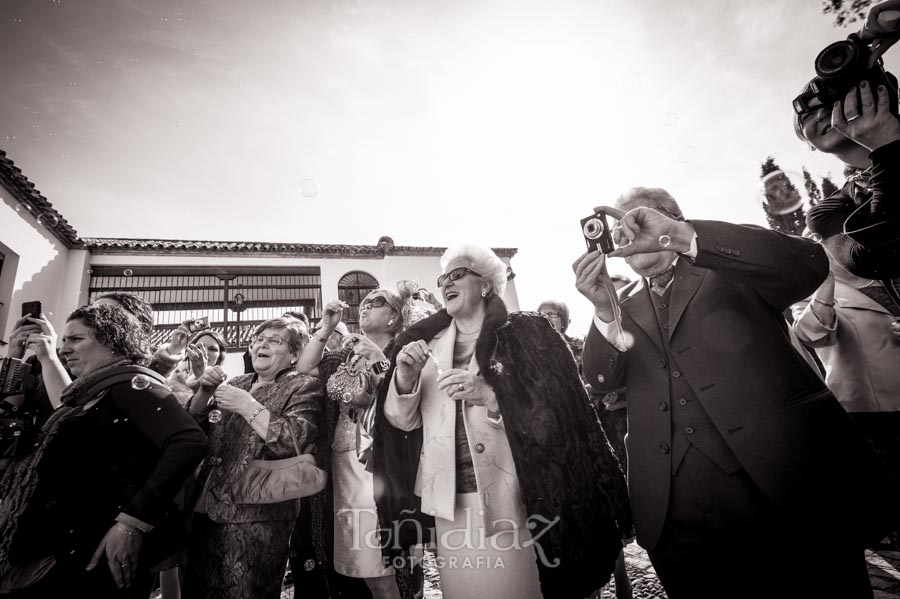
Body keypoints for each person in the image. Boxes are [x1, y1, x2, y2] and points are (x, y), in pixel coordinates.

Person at [576, 187, 879, 598]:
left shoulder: (731, 265)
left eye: (636, 221)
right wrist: (603, 312)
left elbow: (807, 263)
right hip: (676, 514)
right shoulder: (622, 303)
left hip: (784, 489)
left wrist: (681, 236)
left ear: (667, 218)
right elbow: (600, 379)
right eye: (619, 230)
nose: (626, 235)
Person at [381, 244, 632, 599]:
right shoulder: (425, 344)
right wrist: (404, 378)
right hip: (449, 504)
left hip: (519, 497)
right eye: (443, 278)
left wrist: (493, 396)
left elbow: (560, 410)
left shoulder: (528, 332)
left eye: (457, 274)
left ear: (485, 286)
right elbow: (400, 425)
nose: (446, 282)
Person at [0, 303, 208, 598]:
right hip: (60, 550)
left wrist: (131, 523)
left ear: (113, 341)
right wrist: (14, 360)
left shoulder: (133, 386)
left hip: (92, 558)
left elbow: (190, 442)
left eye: (76, 339)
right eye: (64, 341)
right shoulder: (88, 394)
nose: (65, 349)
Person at [183, 316, 322, 599]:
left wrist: (248, 406)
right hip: (204, 504)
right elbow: (194, 429)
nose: (262, 344)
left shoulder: (303, 386)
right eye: (258, 339)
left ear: (295, 353)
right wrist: (204, 391)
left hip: (257, 515)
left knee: (245, 591)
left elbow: (292, 442)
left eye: (275, 340)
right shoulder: (238, 381)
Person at [792, 240, 900, 548]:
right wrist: (823, 284)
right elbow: (811, 335)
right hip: (868, 411)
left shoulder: (890, 277)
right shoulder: (813, 294)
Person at [794, 0, 900, 291]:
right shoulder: (828, 211)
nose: (820, 113)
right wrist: (886, 150)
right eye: (804, 114)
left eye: (829, 101)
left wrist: (864, 39)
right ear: (809, 144)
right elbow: (877, 258)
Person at [536, 299, 633, 599]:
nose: (546, 319)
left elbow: (598, 380)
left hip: (597, 431)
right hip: (558, 442)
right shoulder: (532, 356)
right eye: (541, 315)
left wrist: (600, 396)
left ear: (563, 319)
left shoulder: (579, 346)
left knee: (604, 507)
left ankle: (620, 578)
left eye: (552, 314)